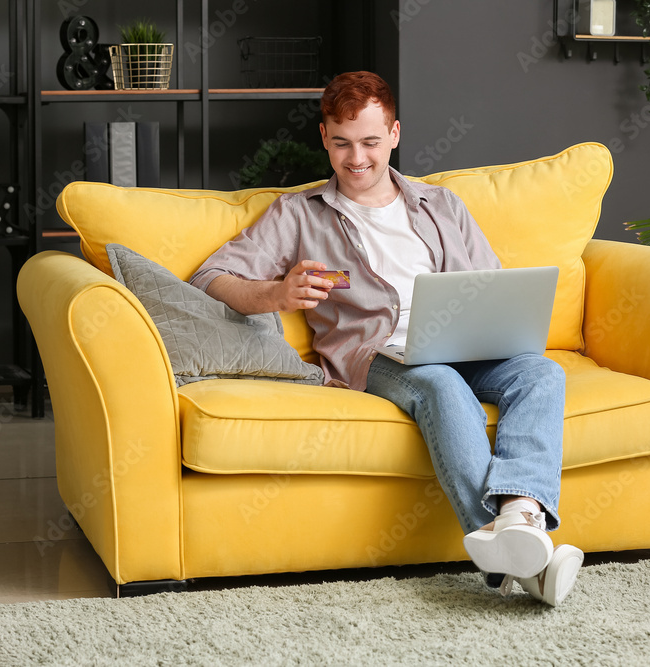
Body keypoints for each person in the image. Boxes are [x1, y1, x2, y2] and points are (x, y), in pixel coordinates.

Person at [189, 71, 583, 606]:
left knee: (542, 372)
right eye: (343, 143)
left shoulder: (441, 207)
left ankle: (519, 520)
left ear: (394, 134)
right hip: (378, 354)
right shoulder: (298, 213)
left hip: (468, 345)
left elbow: (494, 285)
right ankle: (523, 554)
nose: (357, 159)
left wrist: (495, 322)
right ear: (324, 137)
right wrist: (277, 295)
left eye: (371, 142)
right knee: (440, 386)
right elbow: (208, 278)